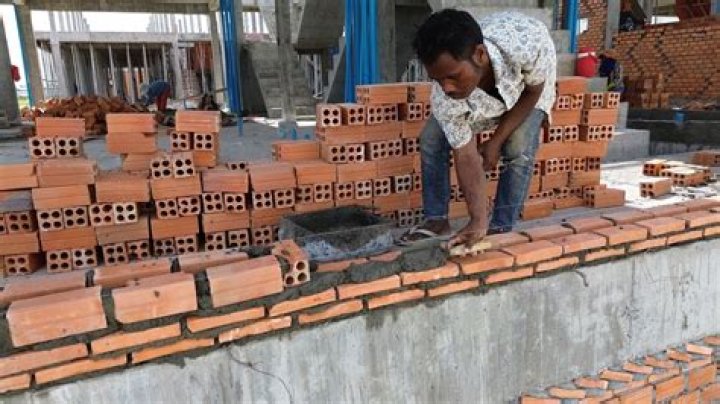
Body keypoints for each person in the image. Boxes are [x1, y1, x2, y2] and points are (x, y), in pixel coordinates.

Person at [401, 9, 556, 248]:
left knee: (518, 146)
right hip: (484, 95)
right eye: (438, 80)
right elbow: (465, 154)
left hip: (526, 87)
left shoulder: (527, 46)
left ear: (480, 55)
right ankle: (437, 220)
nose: (447, 88)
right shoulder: (444, 97)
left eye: (453, 77)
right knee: (431, 138)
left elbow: (533, 92)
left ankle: (502, 227)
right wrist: (477, 219)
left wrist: (496, 141)